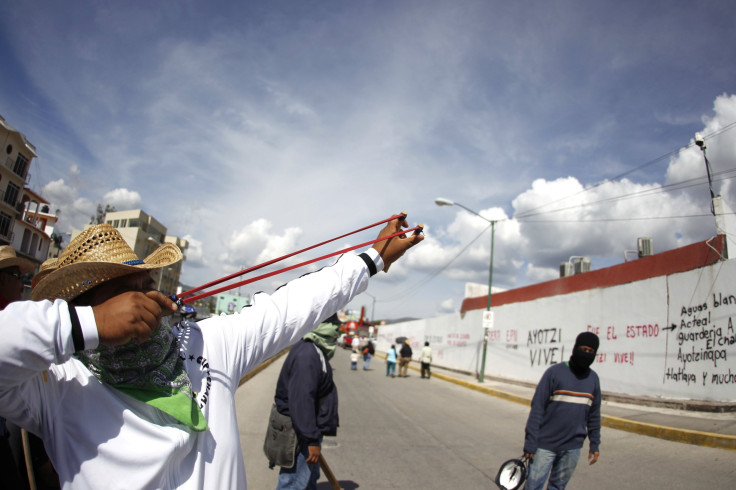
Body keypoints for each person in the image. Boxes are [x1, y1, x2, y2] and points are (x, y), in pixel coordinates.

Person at [0, 214, 422, 490]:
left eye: (144, 283)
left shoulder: (205, 342)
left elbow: (291, 306)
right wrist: (90, 327)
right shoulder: (54, 385)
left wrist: (374, 256)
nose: (144, 296)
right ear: (85, 310)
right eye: (122, 292)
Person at [522, 332, 601, 490]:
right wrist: (530, 443)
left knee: (558, 487)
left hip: (572, 448)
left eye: (591, 351)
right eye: (583, 349)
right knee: (533, 486)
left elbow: (594, 415)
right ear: (575, 348)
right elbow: (537, 408)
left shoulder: (593, 379)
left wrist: (595, 444)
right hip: (544, 446)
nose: (586, 354)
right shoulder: (554, 373)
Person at [271, 315, 341, 489]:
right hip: (301, 435)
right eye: (332, 324)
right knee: (294, 483)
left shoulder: (315, 350)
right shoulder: (307, 354)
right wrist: (311, 441)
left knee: (308, 479)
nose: (336, 328)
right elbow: (302, 402)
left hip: (306, 432)